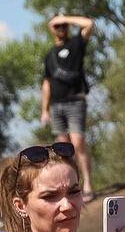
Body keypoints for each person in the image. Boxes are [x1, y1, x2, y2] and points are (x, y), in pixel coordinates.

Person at [41, 16, 97, 157]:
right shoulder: (49, 56)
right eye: (57, 26)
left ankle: (87, 179)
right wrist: (45, 110)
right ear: (52, 28)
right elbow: (47, 83)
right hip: (56, 105)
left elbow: (89, 24)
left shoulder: (76, 44)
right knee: (63, 148)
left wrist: (65, 18)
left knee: (78, 144)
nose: (61, 29)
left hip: (75, 102)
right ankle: (71, 178)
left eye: (64, 25)